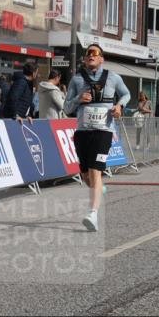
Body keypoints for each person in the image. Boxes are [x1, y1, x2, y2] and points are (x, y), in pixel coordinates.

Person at [63, 45, 130, 232]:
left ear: (102, 59)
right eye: (88, 54)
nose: (91, 56)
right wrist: (78, 99)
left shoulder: (113, 77)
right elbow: (66, 108)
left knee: (94, 170)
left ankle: (92, 213)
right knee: (85, 175)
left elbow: (126, 94)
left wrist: (119, 106)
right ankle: (98, 187)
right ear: (84, 59)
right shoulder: (76, 80)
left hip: (104, 131)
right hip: (83, 132)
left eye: (95, 53)